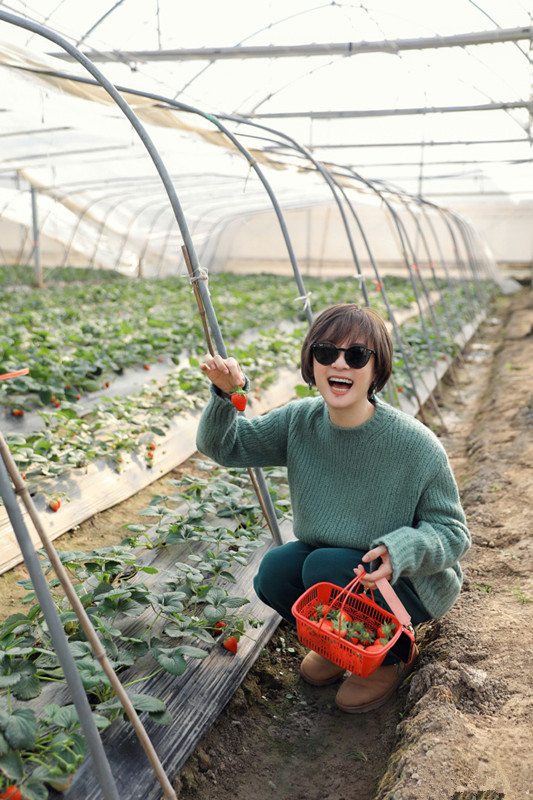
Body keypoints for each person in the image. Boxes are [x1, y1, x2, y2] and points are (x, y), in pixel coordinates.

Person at [196, 303, 470, 713]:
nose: (340, 363)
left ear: (376, 370)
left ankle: (386, 661)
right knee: (275, 572)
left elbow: (453, 533)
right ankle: (341, 644)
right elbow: (224, 445)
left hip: (405, 583)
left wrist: (400, 552)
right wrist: (225, 393)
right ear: (312, 362)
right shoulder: (299, 422)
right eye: (326, 352)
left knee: (321, 567)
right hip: (341, 573)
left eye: (357, 355)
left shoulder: (415, 446)